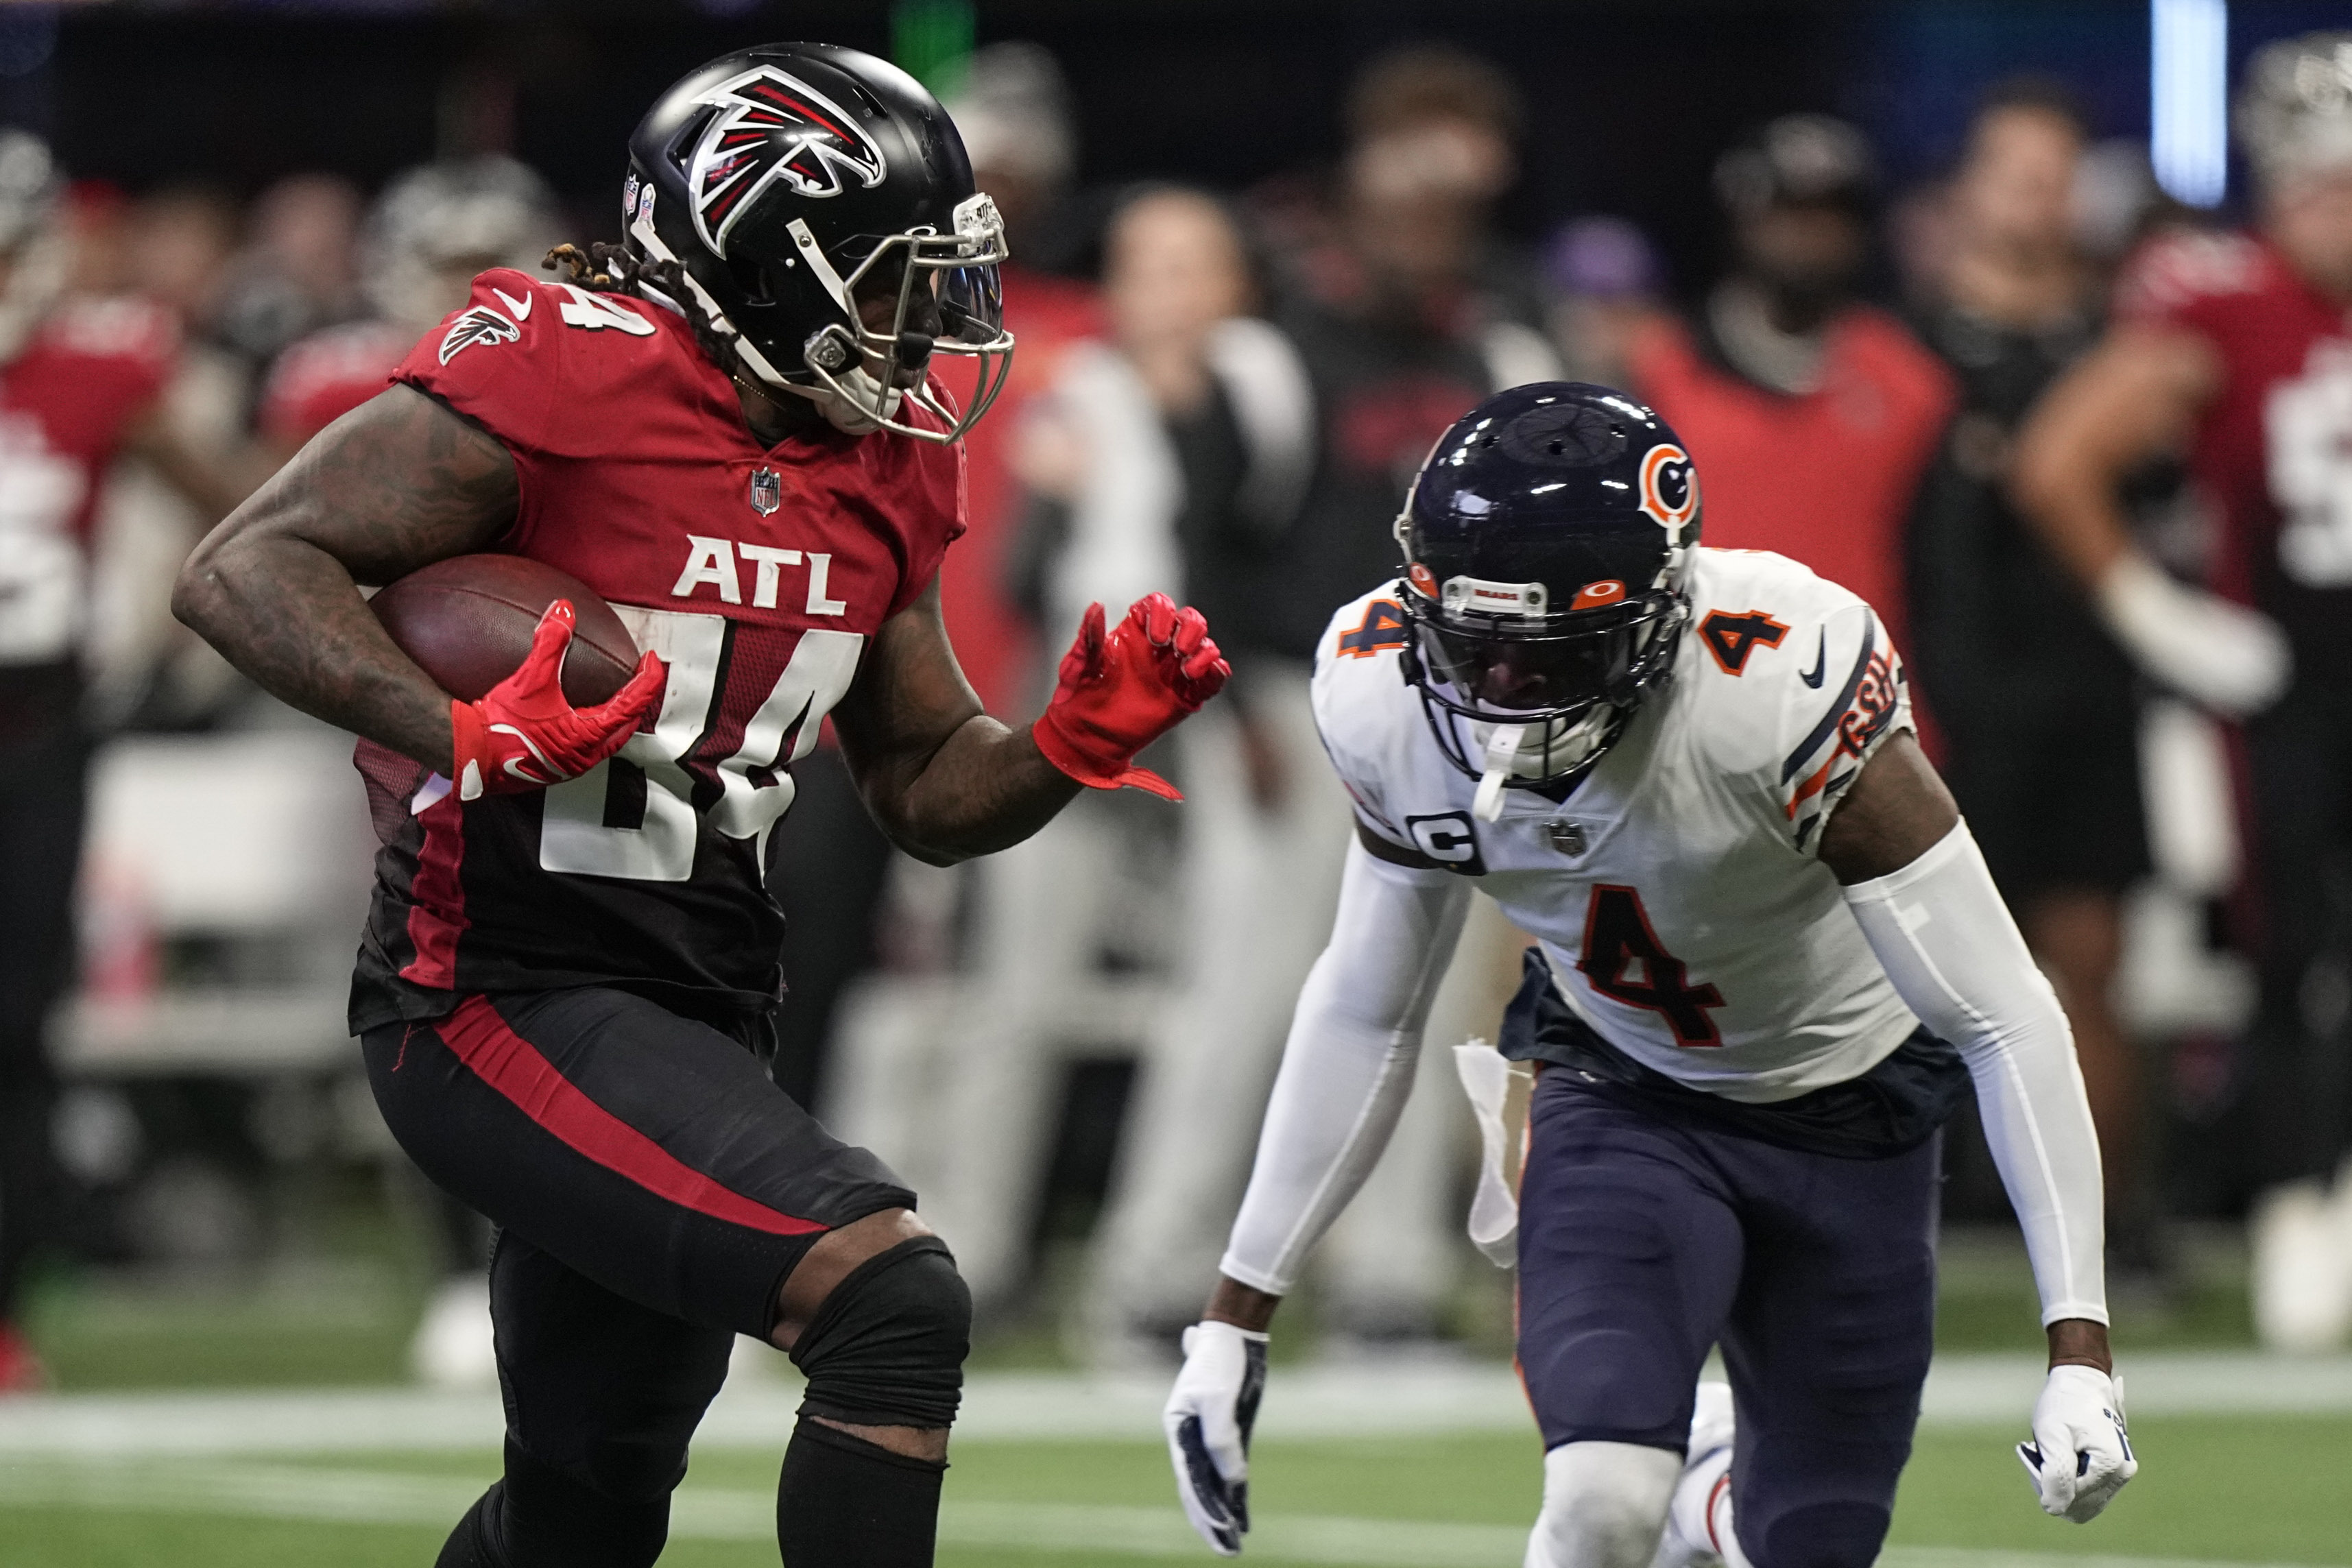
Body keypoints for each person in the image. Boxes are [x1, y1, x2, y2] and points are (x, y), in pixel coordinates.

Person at [171, 43, 1225, 1568]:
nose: (923, 318)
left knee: (584, 1514)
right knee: (889, 1297)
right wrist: (458, 724)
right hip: (496, 987)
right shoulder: (564, 363)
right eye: (886, 275)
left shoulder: (882, 460)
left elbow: (924, 787)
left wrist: (1059, 742)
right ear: (753, 253)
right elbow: (243, 567)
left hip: (705, 996)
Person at [1162, 383, 2134, 1567]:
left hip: (1856, 1117)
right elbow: (1366, 1003)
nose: (1497, 691)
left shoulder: (1780, 681)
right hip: (1621, 1097)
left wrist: (2079, 1349)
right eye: (1472, 644)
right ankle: (1670, 1494)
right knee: (1600, 1501)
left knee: (1806, 1545)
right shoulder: (1379, 690)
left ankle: (1712, 1501)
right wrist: (1235, 1315)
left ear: (1660, 613)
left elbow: (2003, 1014)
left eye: (1546, 652)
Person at [2012, 30, 2352, 1352]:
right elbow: (2059, 462)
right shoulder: (2219, 303)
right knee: (2287, 961)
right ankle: (2287, 1205)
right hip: (2278, 687)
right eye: (2318, 180)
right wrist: (2167, 619)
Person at [0, 131, 254, 1393]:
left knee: (18, 1029)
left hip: (37, 734)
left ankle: (3, 1308)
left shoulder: (99, 370)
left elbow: (250, 504)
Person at [1903, 84, 2160, 1275]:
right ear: (1970, 189)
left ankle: (2113, 1237)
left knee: (2091, 963)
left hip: (2088, 700)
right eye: (2016, 172)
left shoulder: (2118, 344)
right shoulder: (1906, 349)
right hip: (1941, 706)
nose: (2037, 198)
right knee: (1900, 981)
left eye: (2057, 175)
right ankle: (1891, 1227)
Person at [1628, 114, 1952, 658]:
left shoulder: (1911, 383)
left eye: (1831, 214)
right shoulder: (1657, 376)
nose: (1810, 235)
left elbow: (1945, 576)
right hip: (1696, 692)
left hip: (1865, 699)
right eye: (1787, 212)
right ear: (1741, 220)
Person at [258, 156, 560, 458]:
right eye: (449, 268)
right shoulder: (330, 376)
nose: (470, 285)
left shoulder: (574, 373)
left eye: (490, 265)